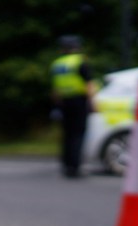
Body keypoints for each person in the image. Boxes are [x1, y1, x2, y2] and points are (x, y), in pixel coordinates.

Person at [50, 35, 97, 178]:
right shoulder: (79, 61)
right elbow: (89, 83)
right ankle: (75, 167)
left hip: (64, 102)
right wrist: (92, 102)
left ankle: (66, 164)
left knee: (67, 134)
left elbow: (55, 89)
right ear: (76, 47)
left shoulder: (57, 64)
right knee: (78, 133)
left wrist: (57, 105)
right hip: (79, 100)